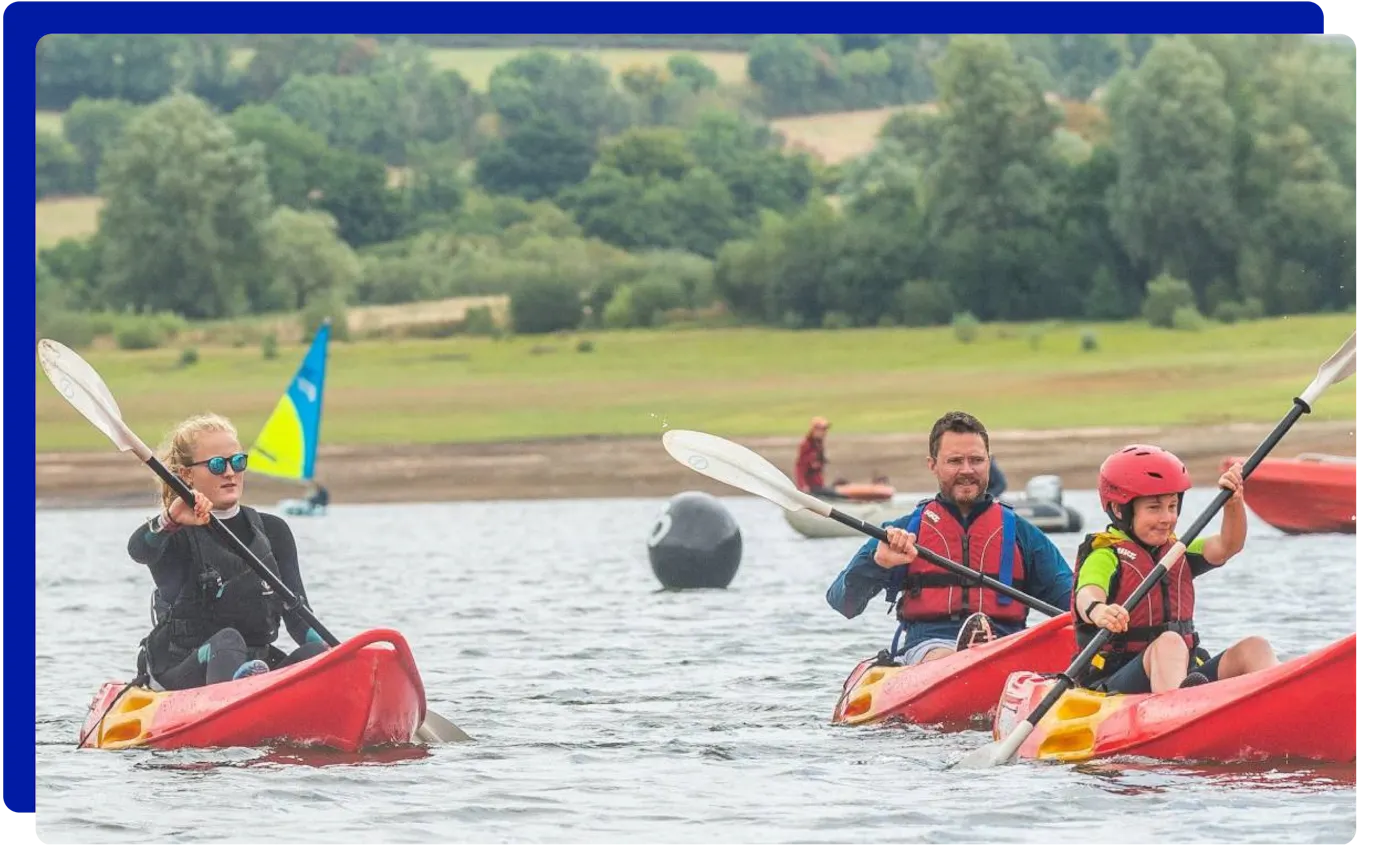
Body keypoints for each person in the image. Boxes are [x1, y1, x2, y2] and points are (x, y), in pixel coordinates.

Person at [826, 411, 1075, 665]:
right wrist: (877, 564)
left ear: (989, 462)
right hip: (929, 648)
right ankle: (966, 659)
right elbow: (841, 602)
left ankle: (982, 653)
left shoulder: (1023, 535)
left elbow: (1073, 602)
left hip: (1007, 646)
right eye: (955, 461)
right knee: (941, 656)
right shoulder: (902, 533)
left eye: (976, 460)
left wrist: (1101, 610)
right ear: (932, 465)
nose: (967, 470)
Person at [128, 413, 330, 690]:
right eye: (216, 464)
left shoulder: (273, 531)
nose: (229, 472)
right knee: (227, 640)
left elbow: (298, 616)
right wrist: (170, 519)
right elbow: (139, 550)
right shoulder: (174, 534)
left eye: (237, 461)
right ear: (187, 474)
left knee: (316, 652)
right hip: (183, 670)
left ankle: (255, 690)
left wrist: (336, 655)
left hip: (253, 666)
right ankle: (237, 702)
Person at [1073, 445, 1280, 694]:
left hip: (1184, 673)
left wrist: (1233, 504)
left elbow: (1228, 545)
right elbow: (1087, 593)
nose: (1166, 518)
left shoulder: (1176, 551)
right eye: (1154, 508)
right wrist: (1099, 611)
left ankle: (1281, 700)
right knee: (1169, 642)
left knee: (1255, 647)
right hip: (1117, 679)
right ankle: (1179, 712)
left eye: (1172, 506)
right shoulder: (1105, 554)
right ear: (1120, 510)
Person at [795, 416, 837, 497]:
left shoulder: (818, 444)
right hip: (812, 488)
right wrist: (803, 486)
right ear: (814, 430)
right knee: (836, 495)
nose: (825, 432)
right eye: (822, 430)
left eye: (825, 430)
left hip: (819, 484)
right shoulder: (806, 445)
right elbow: (800, 467)